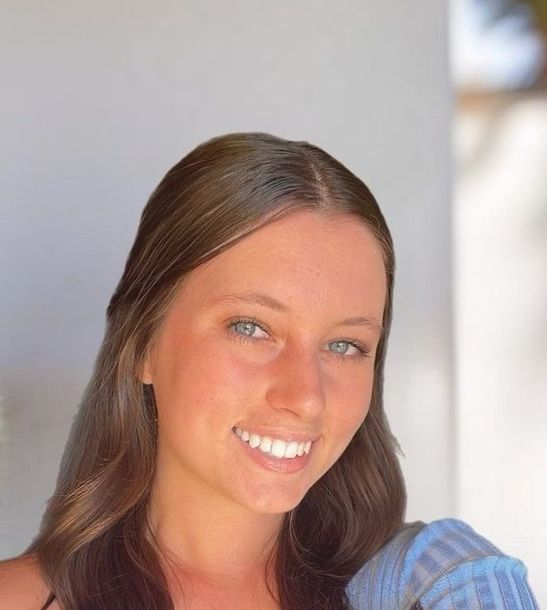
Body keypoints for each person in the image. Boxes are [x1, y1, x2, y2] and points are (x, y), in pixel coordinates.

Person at [0, 132, 539, 609]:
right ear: (143, 342)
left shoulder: (434, 588)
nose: (306, 397)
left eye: (345, 344)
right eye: (251, 328)